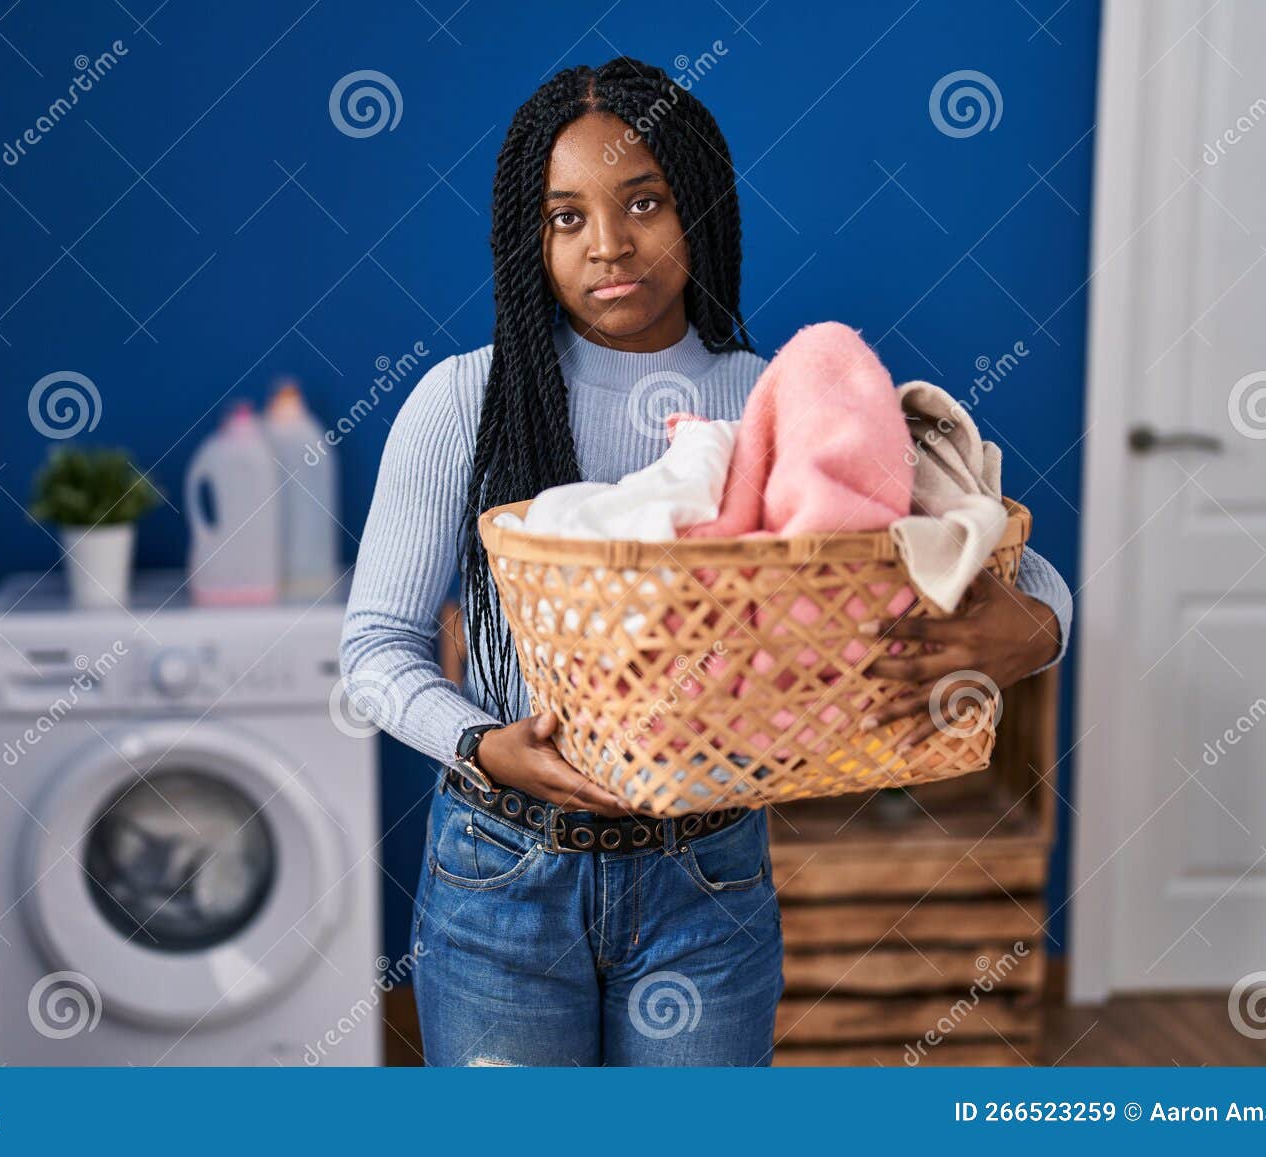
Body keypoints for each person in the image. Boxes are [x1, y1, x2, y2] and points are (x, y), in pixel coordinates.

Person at [339, 57, 1071, 1067]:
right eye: (566, 217)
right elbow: (374, 647)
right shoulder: (464, 401)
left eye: (644, 201)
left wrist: (1029, 630)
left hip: (706, 876)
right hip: (500, 872)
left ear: (701, 206)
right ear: (529, 236)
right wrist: (480, 744)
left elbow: (1002, 559)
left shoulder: (784, 402)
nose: (608, 244)